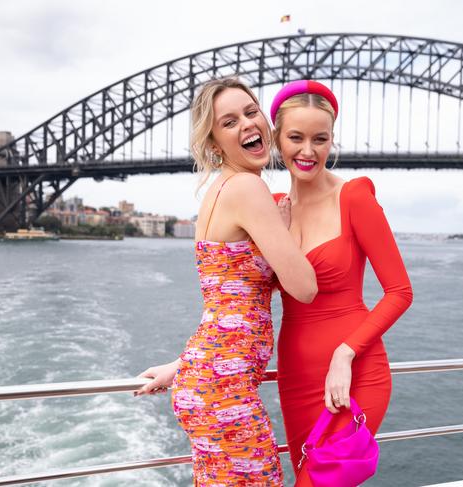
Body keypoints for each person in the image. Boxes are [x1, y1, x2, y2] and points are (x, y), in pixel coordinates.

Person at [136, 78, 317, 486]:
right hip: (223, 392)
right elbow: (305, 287)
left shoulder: (218, 190)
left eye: (251, 112)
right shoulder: (248, 188)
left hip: (206, 380)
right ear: (215, 142)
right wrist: (286, 233)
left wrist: (184, 366)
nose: (247, 125)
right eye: (229, 121)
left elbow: (228, 303)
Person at [270, 80, 414, 485]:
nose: (308, 151)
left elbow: (400, 292)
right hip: (295, 374)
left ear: (332, 140)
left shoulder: (353, 197)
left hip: (353, 372)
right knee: (303, 472)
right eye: (296, 137)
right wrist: (187, 363)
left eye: (321, 139)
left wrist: (345, 353)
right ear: (277, 137)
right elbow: (241, 299)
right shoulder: (274, 209)